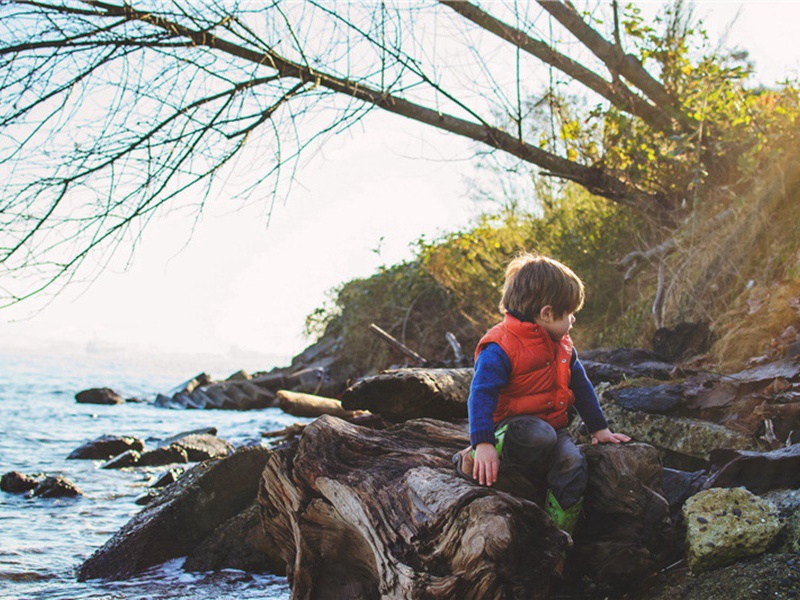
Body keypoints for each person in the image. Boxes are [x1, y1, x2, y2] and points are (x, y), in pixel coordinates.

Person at [453, 252, 630, 544]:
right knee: (539, 435)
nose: (573, 320)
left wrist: (600, 428)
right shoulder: (501, 346)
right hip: (510, 427)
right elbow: (481, 393)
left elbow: (582, 387)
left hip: (553, 427)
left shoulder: (563, 346)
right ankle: (471, 458)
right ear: (547, 314)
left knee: (573, 464)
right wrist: (481, 442)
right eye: (569, 314)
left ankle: (558, 537)